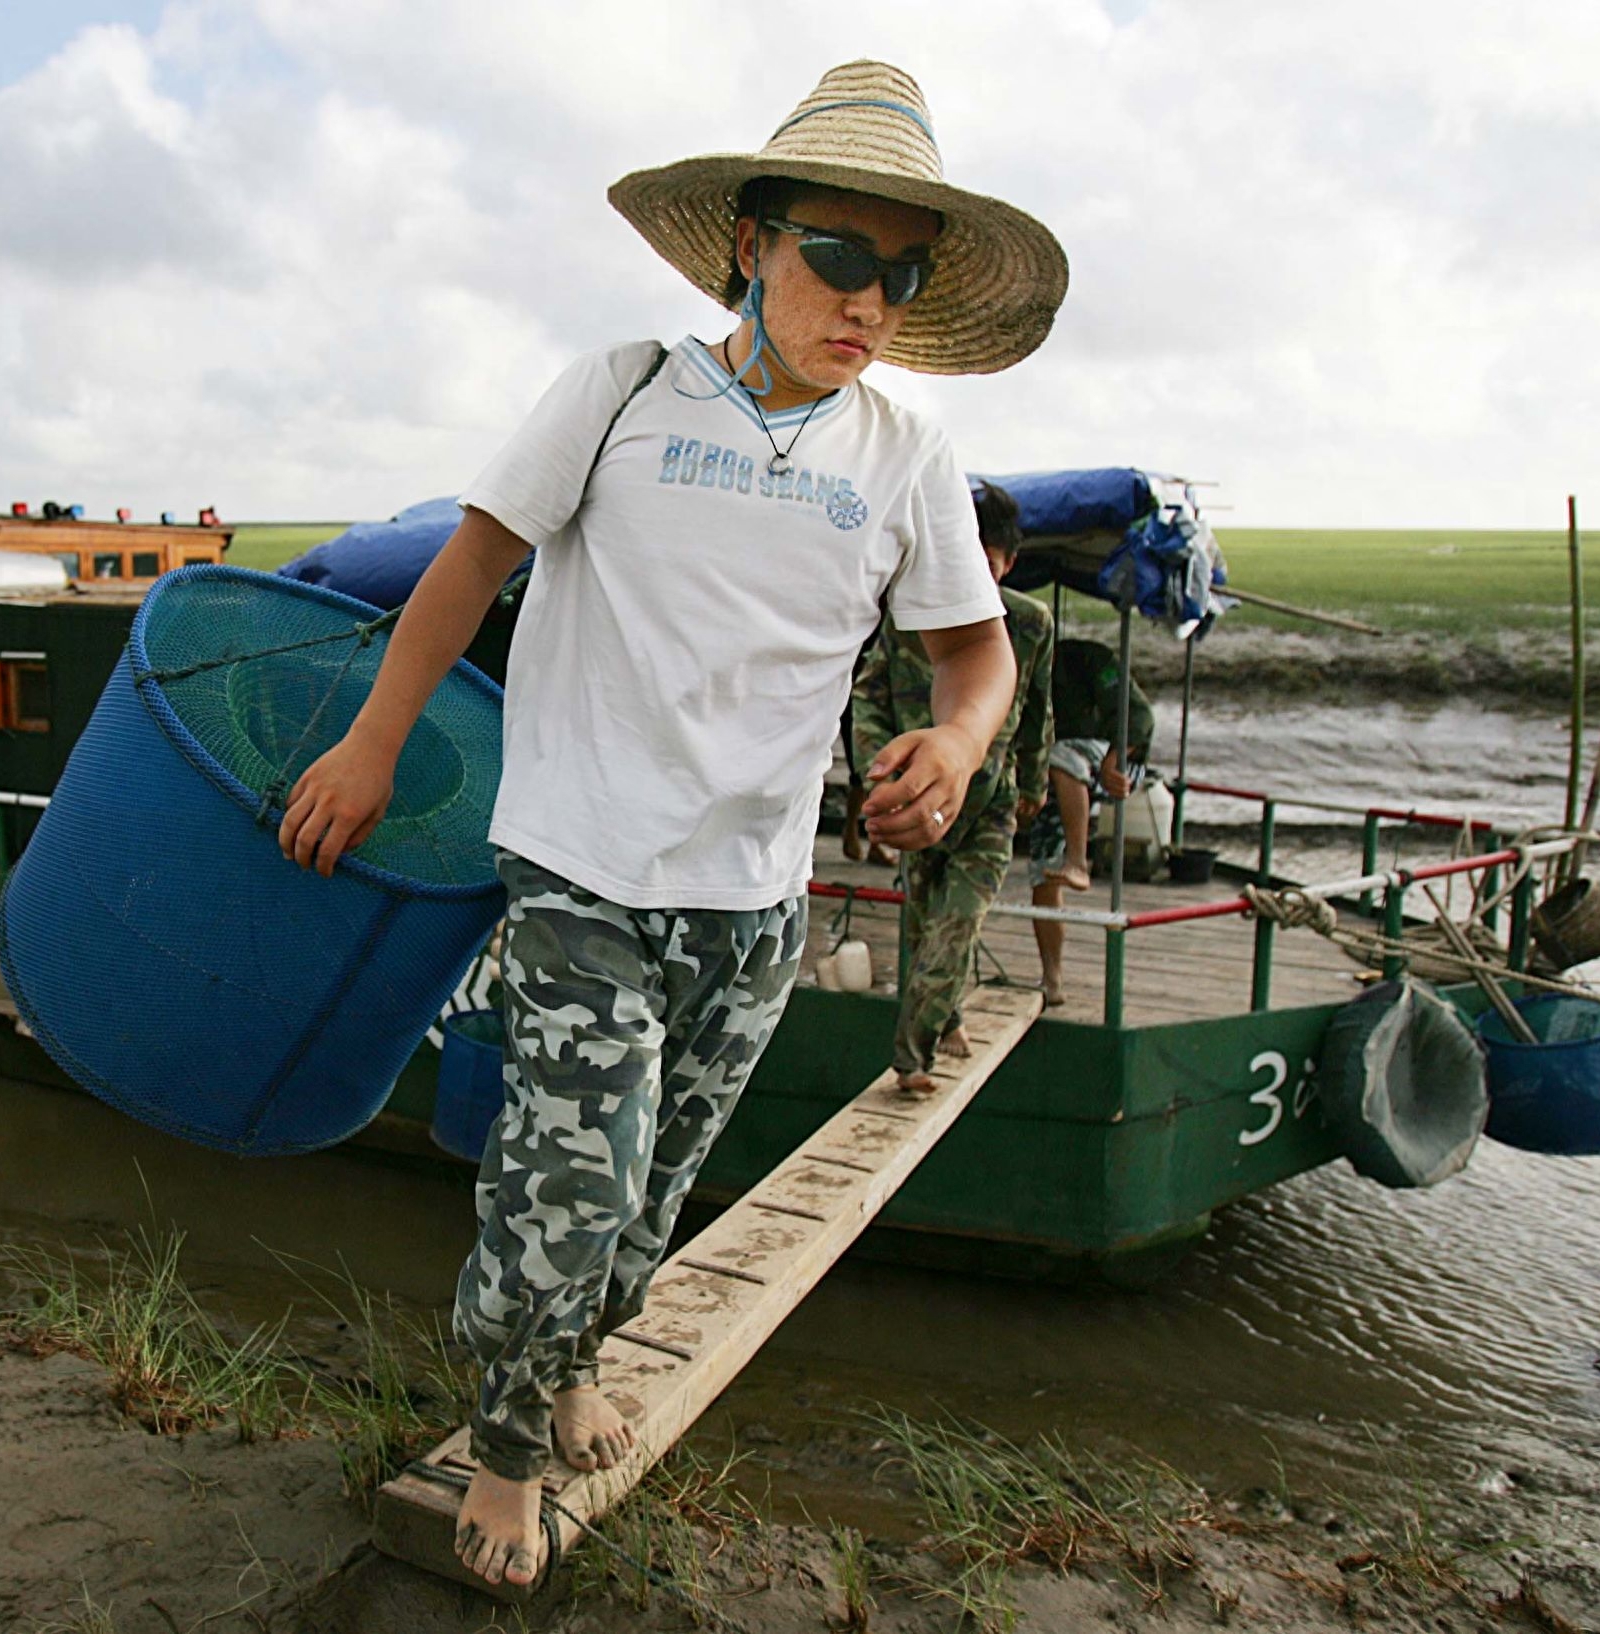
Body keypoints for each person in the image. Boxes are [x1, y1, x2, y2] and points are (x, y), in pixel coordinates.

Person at [273, 61, 1065, 1591]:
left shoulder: (901, 459)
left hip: (752, 898)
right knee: (564, 1185)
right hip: (581, 867)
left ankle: (569, 1367)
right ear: (750, 245)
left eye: (898, 277)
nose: (867, 301)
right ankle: (502, 1453)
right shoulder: (623, 388)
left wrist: (957, 741)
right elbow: (469, 562)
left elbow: (978, 652)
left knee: (650, 1188)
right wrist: (372, 743)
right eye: (838, 257)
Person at [854, 480, 1053, 1093]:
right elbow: (868, 697)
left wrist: (1036, 782)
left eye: (987, 565)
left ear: (1007, 563)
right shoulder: (904, 619)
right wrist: (877, 776)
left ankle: (912, 1059)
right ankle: (949, 1019)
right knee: (923, 925)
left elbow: (1037, 708)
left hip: (990, 801)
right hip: (921, 798)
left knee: (959, 922)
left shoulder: (1028, 624)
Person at [1027, 635, 1155, 1004]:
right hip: (1050, 773)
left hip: (1106, 754)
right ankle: (1052, 977)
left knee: (1063, 757)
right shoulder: (1008, 662)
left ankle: (1079, 860)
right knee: (1043, 874)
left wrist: (1118, 753)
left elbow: (1139, 714)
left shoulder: (1090, 659)